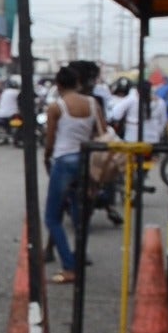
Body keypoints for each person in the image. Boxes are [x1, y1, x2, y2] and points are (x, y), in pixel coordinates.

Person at [43, 66, 105, 284]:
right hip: (85, 160)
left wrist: (46, 158)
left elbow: (50, 141)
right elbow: (101, 133)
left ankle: (69, 267)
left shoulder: (56, 107)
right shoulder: (92, 103)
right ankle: (78, 257)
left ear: (58, 85)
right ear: (77, 82)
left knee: (52, 217)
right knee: (80, 215)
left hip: (64, 161)